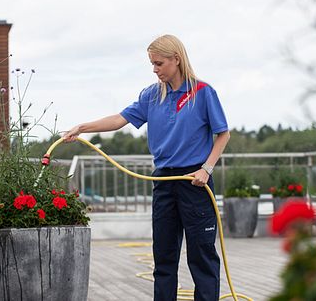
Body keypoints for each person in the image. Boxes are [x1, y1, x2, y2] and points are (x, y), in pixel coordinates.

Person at [64, 34, 230, 301]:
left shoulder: (203, 92)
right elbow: (119, 119)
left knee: (202, 256)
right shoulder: (152, 95)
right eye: (152, 64)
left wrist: (207, 169)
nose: (155, 69)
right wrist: (82, 128)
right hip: (163, 181)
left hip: (195, 180)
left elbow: (223, 134)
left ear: (176, 59)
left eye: (159, 63)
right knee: (163, 258)